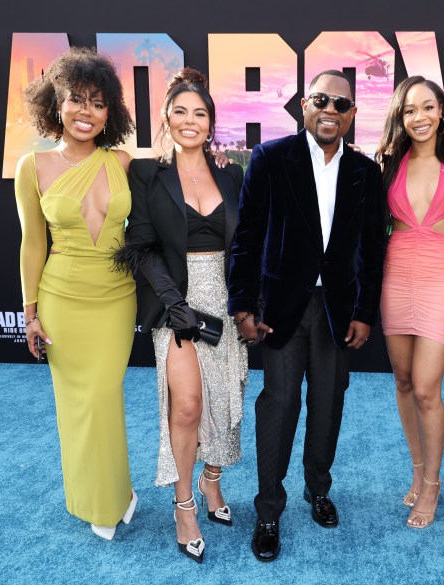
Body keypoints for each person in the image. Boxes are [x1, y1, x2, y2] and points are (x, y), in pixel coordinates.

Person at [228, 70, 386, 562]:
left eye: (342, 104)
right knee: (278, 404)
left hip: (337, 309)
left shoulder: (366, 172)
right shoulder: (271, 158)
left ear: (353, 115)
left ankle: (318, 488)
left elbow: (372, 251)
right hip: (280, 310)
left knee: (328, 401)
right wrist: (243, 306)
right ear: (303, 105)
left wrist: (363, 311)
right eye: (322, 100)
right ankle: (269, 510)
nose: (331, 110)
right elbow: (247, 239)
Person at [112, 68, 246, 564]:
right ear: (166, 118)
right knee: (188, 405)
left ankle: (214, 482)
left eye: (200, 113)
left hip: (225, 302)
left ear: (211, 122)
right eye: (181, 111)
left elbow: (247, 244)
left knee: (227, 399)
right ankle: (184, 504)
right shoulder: (148, 174)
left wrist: (249, 303)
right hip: (177, 303)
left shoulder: (232, 172)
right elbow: (142, 245)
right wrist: (174, 304)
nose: (190, 121)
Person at [14, 47, 137, 541]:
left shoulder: (125, 162)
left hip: (115, 296)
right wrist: (30, 311)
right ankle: (101, 499)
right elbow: (31, 243)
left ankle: (115, 491)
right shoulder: (34, 166)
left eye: (98, 102)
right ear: (56, 105)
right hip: (61, 299)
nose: (86, 111)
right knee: (77, 404)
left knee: (104, 396)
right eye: (76, 100)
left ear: (111, 113)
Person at [375, 76, 444, 529]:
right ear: (400, 118)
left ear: (442, 111)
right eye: (409, 110)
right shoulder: (389, 164)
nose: (418, 117)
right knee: (402, 380)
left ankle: (434, 483)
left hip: (443, 275)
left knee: (425, 387)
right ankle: (417, 470)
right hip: (396, 272)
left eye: (427, 107)